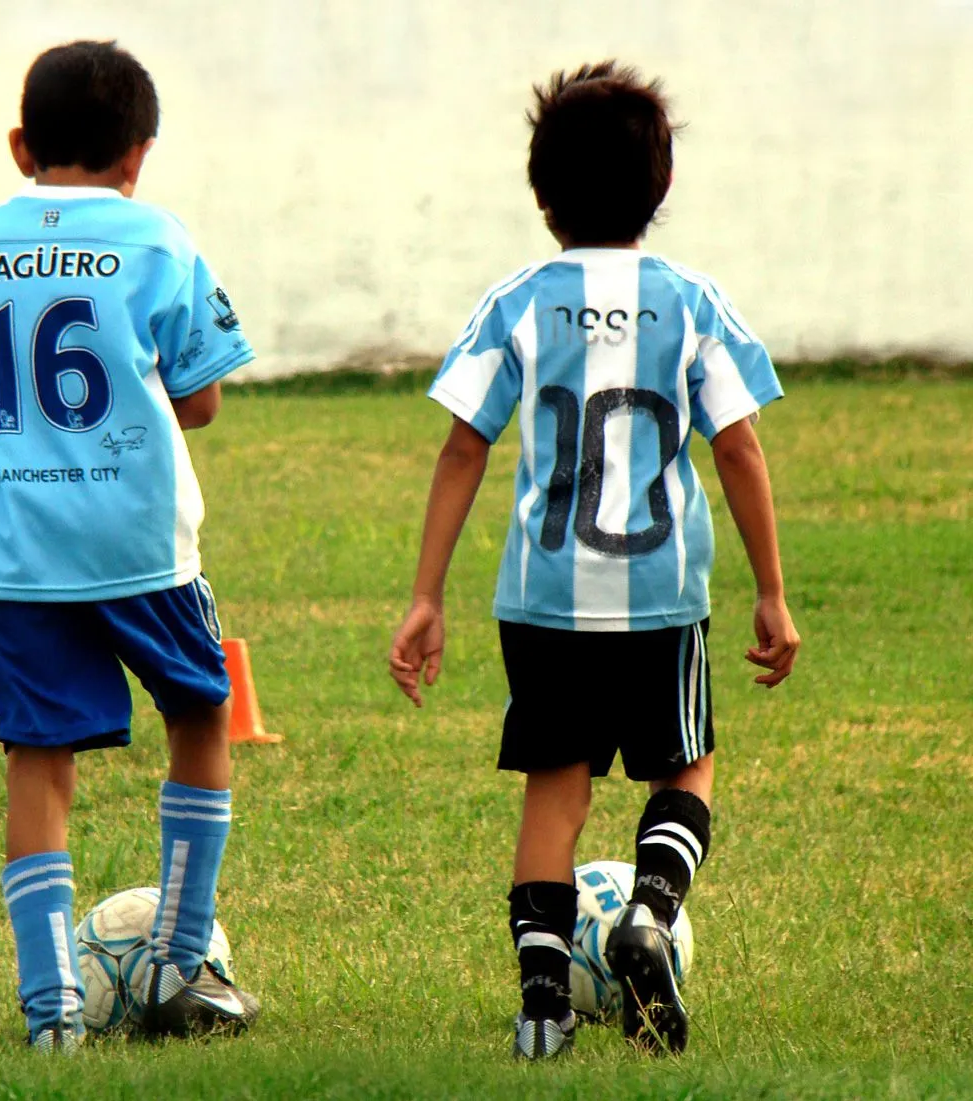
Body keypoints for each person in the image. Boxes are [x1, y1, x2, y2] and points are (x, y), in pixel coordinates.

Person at [388, 61, 800, 1060]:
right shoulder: (693, 302)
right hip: (661, 596)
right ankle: (650, 914)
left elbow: (462, 446)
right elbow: (737, 447)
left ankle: (542, 1011)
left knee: (554, 794)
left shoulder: (517, 302)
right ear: (659, 189)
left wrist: (426, 595)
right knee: (686, 769)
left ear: (542, 195)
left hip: (543, 598)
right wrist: (773, 594)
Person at [0, 40, 259, 1053]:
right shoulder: (160, 241)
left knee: (39, 761)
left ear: (21, 143)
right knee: (200, 713)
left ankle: (51, 1014)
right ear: (138, 155)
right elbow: (199, 398)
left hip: (10, 546)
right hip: (138, 542)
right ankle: (179, 962)